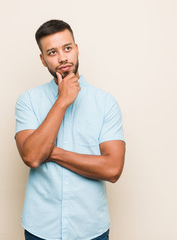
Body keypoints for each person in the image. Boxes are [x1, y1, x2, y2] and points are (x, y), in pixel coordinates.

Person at [15, 19, 126, 240]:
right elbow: (31, 156)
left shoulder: (105, 103)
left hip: (91, 229)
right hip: (40, 229)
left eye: (67, 48)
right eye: (52, 52)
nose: (63, 57)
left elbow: (113, 169)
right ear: (43, 59)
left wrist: (50, 152)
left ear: (76, 49)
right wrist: (62, 101)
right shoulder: (28, 101)